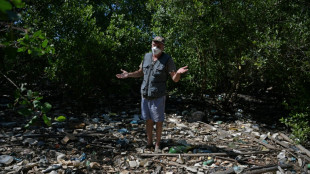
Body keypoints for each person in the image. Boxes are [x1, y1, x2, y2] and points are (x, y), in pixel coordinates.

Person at [116, 36, 188, 152]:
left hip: (158, 95)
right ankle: (149, 143)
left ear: (163, 47)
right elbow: (140, 73)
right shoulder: (146, 57)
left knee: (158, 121)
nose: (156, 47)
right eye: (154, 45)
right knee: (148, 120)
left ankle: (157, 144)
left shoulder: (167, 59)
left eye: (159, 46)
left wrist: (178, 73)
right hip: (145, 94)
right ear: (151, 44)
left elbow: (174, 79)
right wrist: (128, 75)